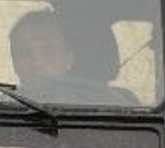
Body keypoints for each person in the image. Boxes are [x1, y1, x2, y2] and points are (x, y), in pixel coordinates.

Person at [9, 8, 137, 104]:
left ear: (68, 60)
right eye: (25, 53)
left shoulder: (111, 104)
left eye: (49, 50)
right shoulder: (0, 109)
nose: (38, 61)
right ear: (15, 64)